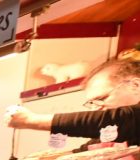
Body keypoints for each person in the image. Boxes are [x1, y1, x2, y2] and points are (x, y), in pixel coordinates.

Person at [7, 47, 140, 146]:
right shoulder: (115, 132)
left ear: (135, 85)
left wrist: (31, 120)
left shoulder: (126, 121)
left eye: (101, 99)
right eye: (93, 103)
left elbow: (117, 120)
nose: (96, 110)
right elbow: (88, 152)